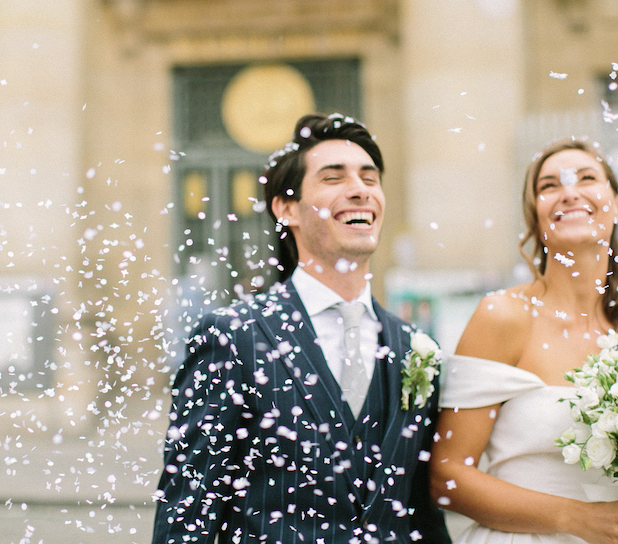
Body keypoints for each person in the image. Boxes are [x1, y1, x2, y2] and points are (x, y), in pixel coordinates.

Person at [152, 113, 451, 544]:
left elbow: (422, 516)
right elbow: (188, 512)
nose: (359, 190)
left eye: (370, 178)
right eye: (334, 178)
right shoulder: (233, 337)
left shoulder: (416, 348)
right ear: (286, 208)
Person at [429, 139, 618, 544]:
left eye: (586, 178)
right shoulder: (503, 317)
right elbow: (446, 475)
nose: (569, 191)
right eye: (549, 186)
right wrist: (577, 518)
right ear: (536, 216)